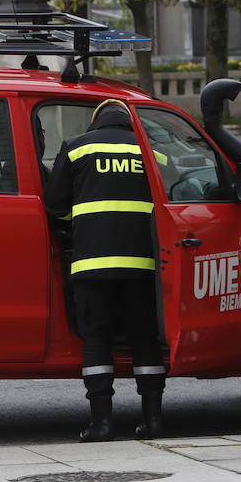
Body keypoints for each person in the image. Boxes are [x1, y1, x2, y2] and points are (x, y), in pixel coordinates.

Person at [43, 99, 166, 442]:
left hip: (92, 266)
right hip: (142, 267)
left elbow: (54, 206)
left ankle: (102, 423)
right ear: (128, 122)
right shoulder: (151, 152)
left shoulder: (76, 148)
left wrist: (78, 223)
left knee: (96, 339)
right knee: (145, 339)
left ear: (95, 121)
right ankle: (153, 420)